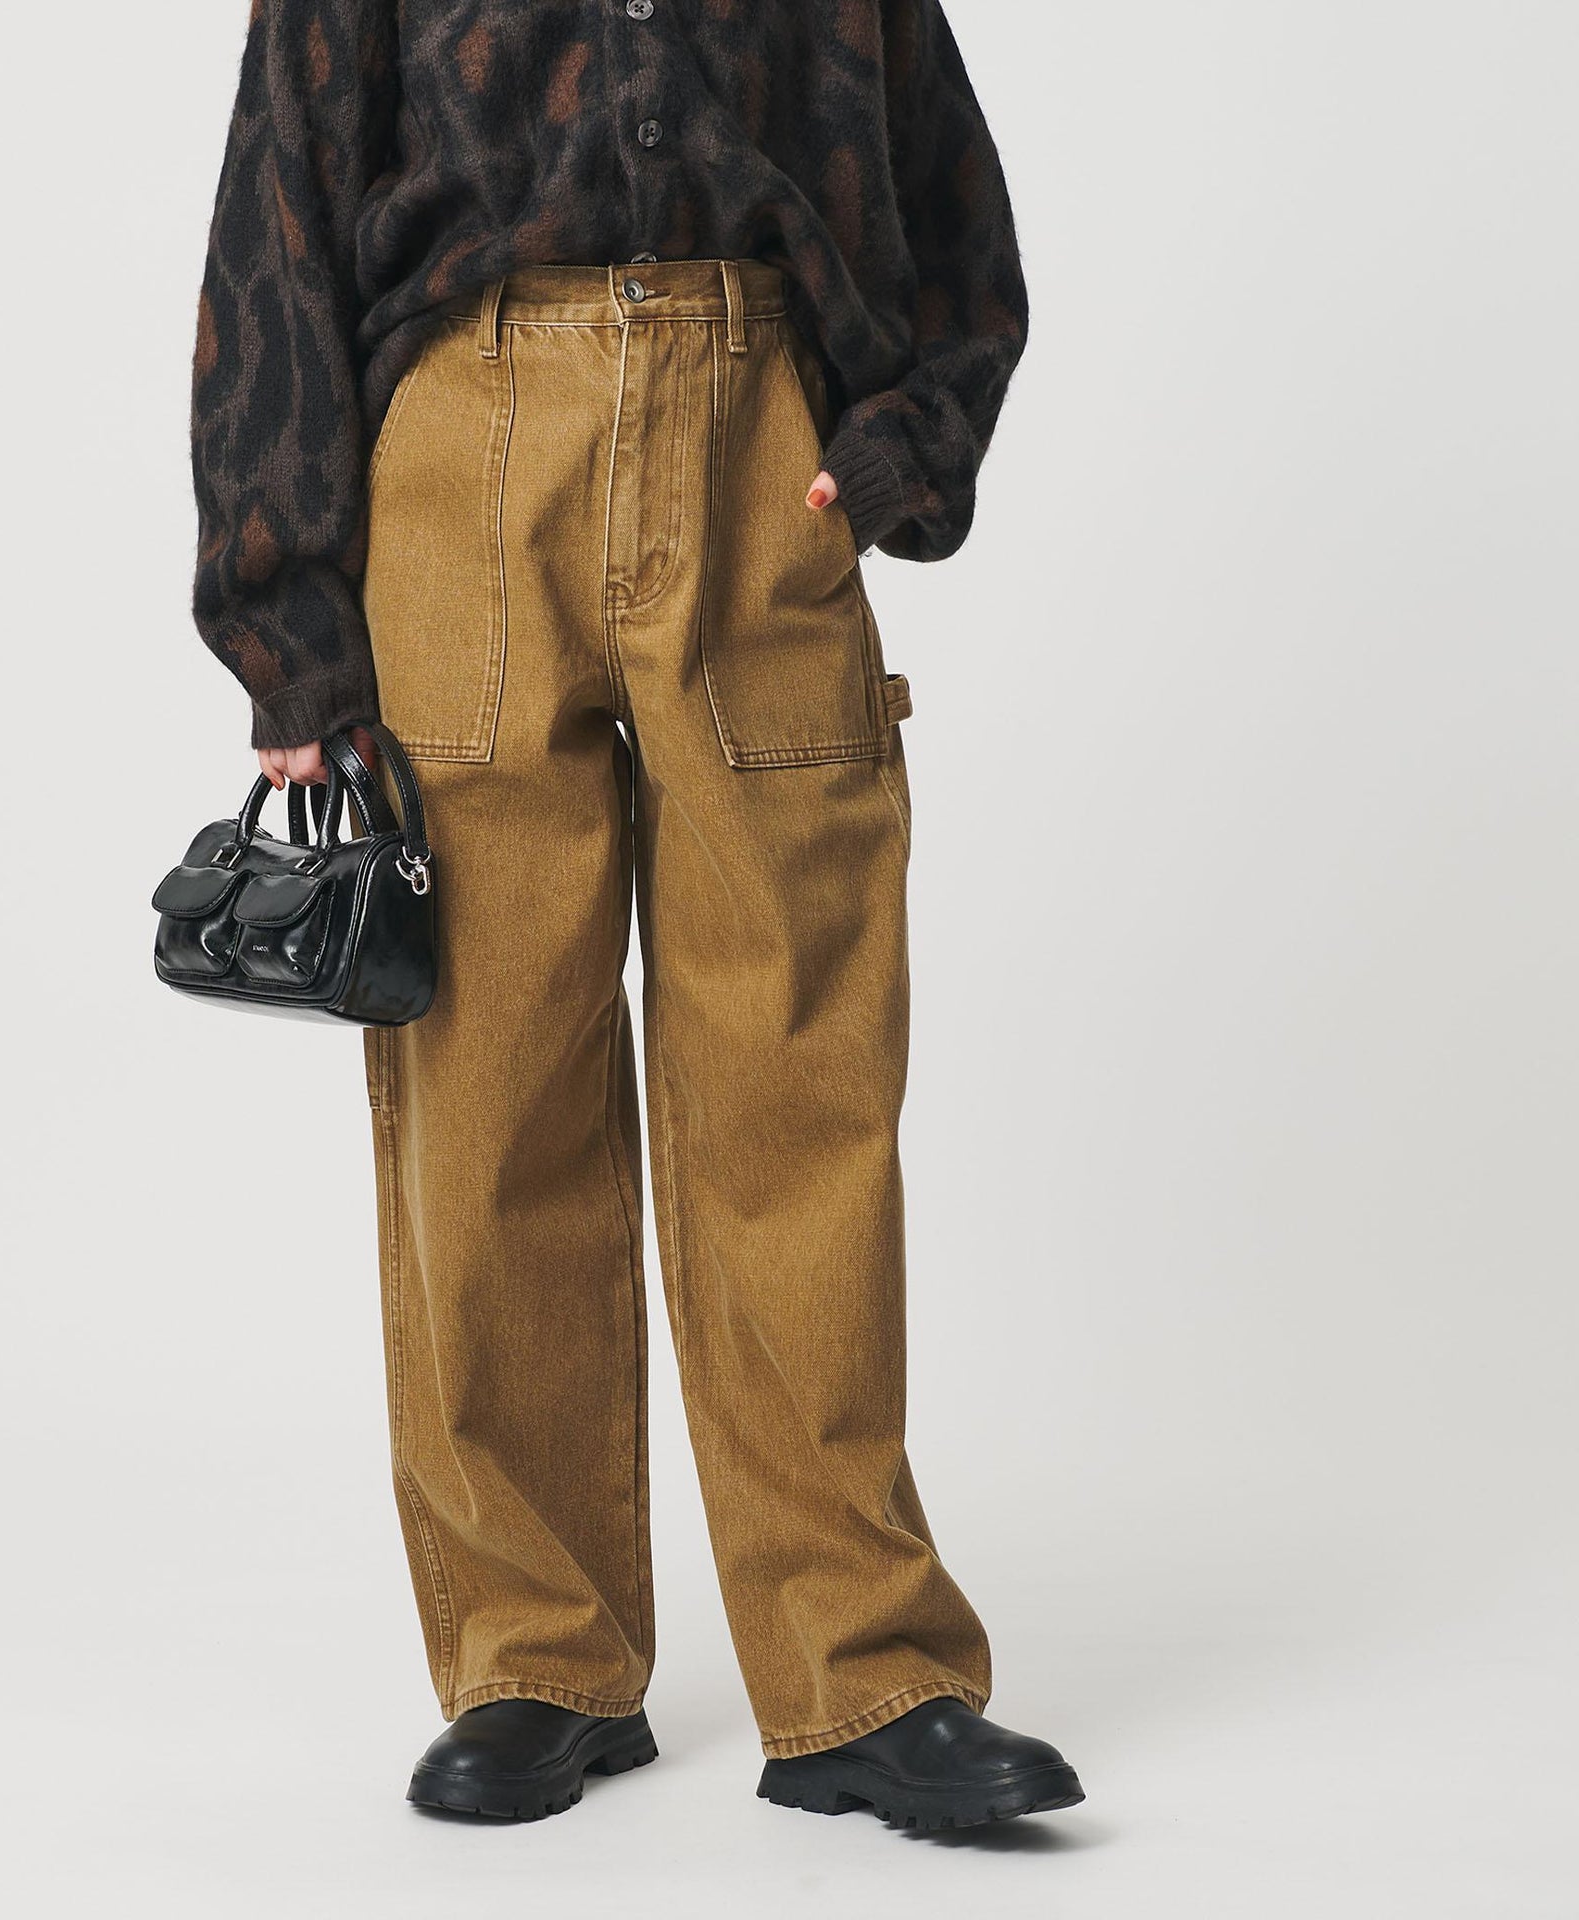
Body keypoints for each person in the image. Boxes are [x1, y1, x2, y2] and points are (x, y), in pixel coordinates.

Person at [187, 0, 1083, 1831]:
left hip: (763, 455)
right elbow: (279, 208)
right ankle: (536, 1655)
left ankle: (861, 1672)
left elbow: (947, 188)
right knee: (487, 1082)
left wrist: (907, 440)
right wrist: (286, 622)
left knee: (802, 1077)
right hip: (462, 452)